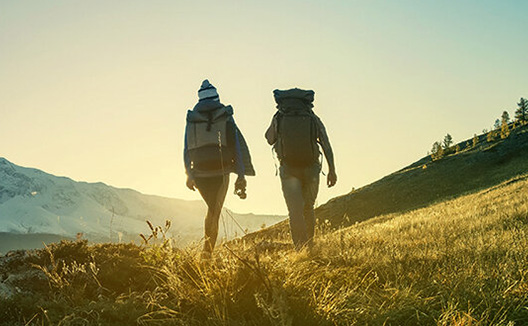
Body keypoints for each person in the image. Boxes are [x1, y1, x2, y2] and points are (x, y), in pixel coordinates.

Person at [184, 79, 255, 257]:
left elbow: (186, 148)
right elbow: (236, 146)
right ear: (216, 98)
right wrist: (240, 173)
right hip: (221, 171)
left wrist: (189, 174)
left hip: (199, 172)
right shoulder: (225, 116)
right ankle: (207, 254)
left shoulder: (192, 119)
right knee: (214, 211)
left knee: (211, 210)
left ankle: (206, 252)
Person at [265, 88, 336, 250]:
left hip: (288, 169)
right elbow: (325, 143)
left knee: (294, 210)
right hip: (311, 168)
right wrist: (332, 170)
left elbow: (270, 139)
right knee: (308, 208)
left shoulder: (279, 117)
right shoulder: (312, 117)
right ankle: (309, 246)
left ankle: (300, 249)